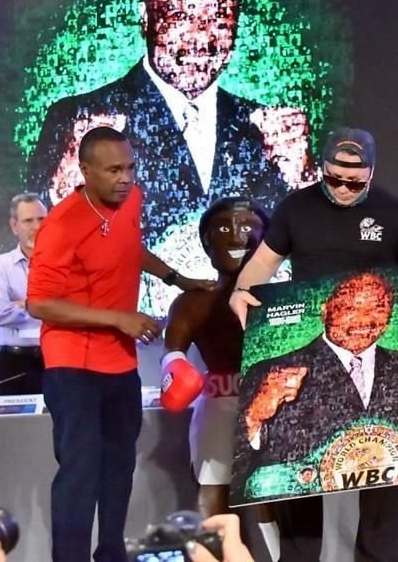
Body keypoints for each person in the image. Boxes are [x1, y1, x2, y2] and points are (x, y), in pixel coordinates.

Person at [27, 0, 313, 316]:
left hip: (247, 335)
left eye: (219, 18)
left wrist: (304, 181)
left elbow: (303, 246)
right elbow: (41, 242)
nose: (201, 38)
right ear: (146, 19)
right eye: (182, 16)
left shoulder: (274, 133)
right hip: (128, 336)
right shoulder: (79, 119)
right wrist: (61, 199)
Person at [229, 127, 398, 562]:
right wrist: (241, 293)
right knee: (299, 499)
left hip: (381, 388)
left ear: (372, 174)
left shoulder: (396, 214)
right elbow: (259, 267)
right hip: (310, 374)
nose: (343, 189)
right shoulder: (296, 208)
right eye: (333, 179)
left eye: (355, 182)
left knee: (382, 501)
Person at [26, 126, 214, 562]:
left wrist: (177, 278)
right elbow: (39, 304)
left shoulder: (131, 199)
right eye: (114, 170)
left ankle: (110, 554)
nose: (126, 178)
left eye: (130, 167)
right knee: (80, 473)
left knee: (117, 470)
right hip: (72, 366)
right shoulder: (61, 226)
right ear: (85, 170)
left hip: (119, 366)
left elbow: (131, 247)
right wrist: (119, 319)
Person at [233, 271, 398, 499]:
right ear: (325, 311)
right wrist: (253, 419)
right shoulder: (270, 373)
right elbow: (240, 474)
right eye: (351, 308)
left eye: (378, 308)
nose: (365, 320)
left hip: (388, 507)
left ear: (390, 317)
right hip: (313, 516)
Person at [161, 196, 279, 558]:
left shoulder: (280, 299)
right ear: (207, 240)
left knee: (266, 493)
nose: (236, 236)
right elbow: (173, 351)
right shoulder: (192, 303)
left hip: (269, 407)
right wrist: (176, 371)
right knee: (212, 490)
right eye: (225, 228)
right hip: (217, 404)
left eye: (246, 227)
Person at [0, 193, 48, 396]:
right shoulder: (0, 266)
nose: (36, 227)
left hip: (57, 361)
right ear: (14, 226)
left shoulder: (66, 264)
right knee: (8, 427)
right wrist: (41, 306)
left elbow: (71, 309)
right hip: (12, 363)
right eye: (28, 221)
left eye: (42, 219)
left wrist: (19, 304)